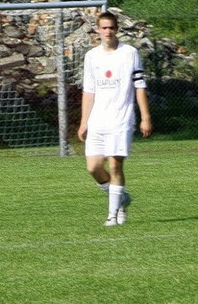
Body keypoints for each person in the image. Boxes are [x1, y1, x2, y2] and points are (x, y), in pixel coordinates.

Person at [78, 10, 152, 227]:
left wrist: (145, 117)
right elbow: (89, 92)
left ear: (117, 29)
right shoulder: (91, 56)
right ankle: (121, 197)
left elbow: (139, 86)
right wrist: (84, 122)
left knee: (115, 165)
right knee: (93, 168)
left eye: (111, 27)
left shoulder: (129, 53)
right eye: (104, 27)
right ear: (98, 30)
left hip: (121, 119)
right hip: (97, 121)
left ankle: (113, 215)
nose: (108, 31)